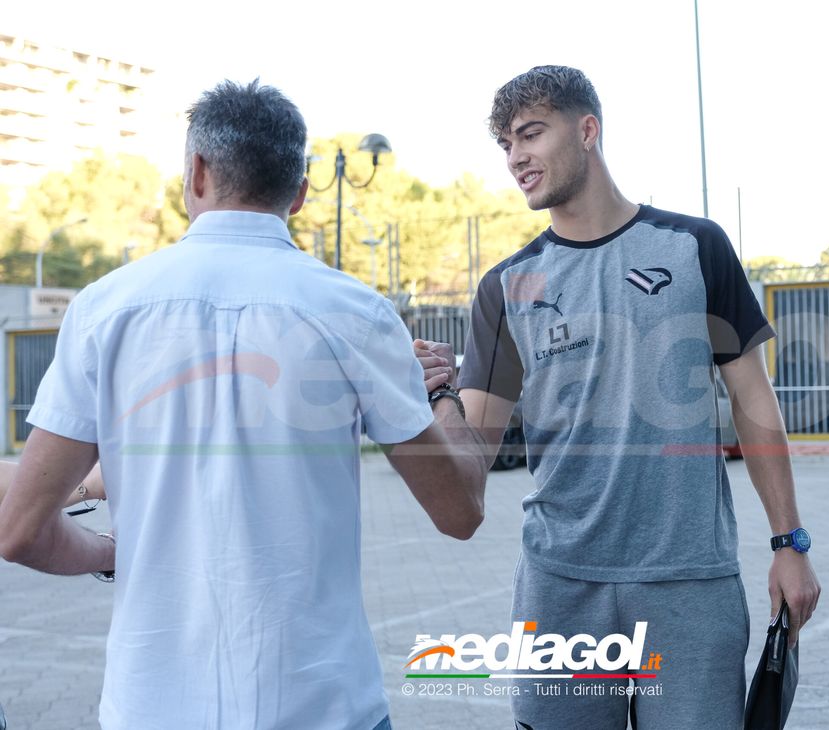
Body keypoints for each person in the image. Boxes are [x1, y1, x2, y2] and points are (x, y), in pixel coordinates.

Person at [0, 79, 486, 730]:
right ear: (301, 193)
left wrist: (112, 552)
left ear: (195, 173)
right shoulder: (356, 313)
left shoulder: (102, 310)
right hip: (322, 705)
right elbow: (459, 513)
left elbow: (21, 527)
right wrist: (444, 395)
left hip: (152, 706)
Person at [417, 65, 820, 728]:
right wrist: (437, 397)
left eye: (530, 133)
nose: (516, 156)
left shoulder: (695, 247)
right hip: (561, 587)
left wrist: (790, 541)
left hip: (691, 583)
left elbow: (754, 403)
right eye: (505, 145)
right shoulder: (507, 286)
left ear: (587, 130)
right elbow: (473, 454)